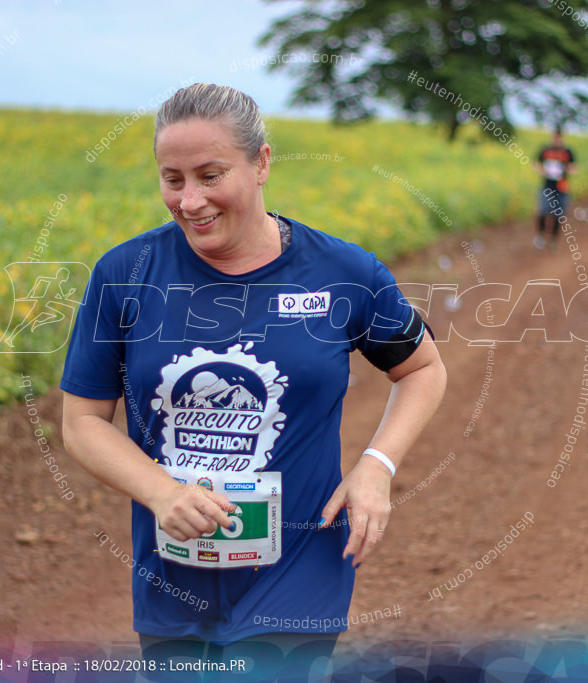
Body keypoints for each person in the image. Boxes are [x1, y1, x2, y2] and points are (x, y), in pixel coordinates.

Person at [59, 83, 446, 675]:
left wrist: (378, 466)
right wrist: (163, 493)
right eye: (172, 179)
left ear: (262, 162)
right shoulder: (125, 274)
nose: (190, 201)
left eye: (210, 175)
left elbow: (422, 368)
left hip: (299, 572)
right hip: (171, 577)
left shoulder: (342, 272)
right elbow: (83, 422)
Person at [534, 127, 575, 250]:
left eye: (559, 137)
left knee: (558, 214)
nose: (557, 140)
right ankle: (540, 236)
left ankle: (553, 240)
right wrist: (542, 170)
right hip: (547, 185)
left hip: (561, 187)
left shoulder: (567, 152)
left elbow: (574, 167)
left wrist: (568, 169)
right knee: (542, 211)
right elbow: (536, 163)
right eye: (555, 137)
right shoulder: (545, 150)